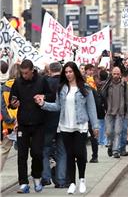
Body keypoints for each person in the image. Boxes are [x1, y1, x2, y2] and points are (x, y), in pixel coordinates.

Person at [38, 62, 100, 195]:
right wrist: (43, 104)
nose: (68, 74)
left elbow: (91, 108)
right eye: (66, 72)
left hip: (80, 125)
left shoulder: (85, 88)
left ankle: (82, 179)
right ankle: (72, 182)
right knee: (69, 155)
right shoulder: (62, 88)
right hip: (65, 125)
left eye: (70, 72)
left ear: (75, 72)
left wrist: (95, 126)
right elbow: (57, 106)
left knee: (79, 153)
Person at [9, 60, 55, 193]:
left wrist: (43, 97)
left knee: (37, 152)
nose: (24, 76)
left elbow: (52, 96)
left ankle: (36, 177)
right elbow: (12, 100)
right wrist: (14, 103)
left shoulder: (41, 81)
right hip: (23, 124)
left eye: (26, 73)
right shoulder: (17, 82)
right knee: (21, 155)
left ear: (32, 70)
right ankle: (23, 183)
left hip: (39, 123)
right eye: (22, 73)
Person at [41, 62, 66, 189]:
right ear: (61, 70)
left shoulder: (44, 82)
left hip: (47, 122)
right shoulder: (65, 83)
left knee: (45, 150)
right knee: (62, 152)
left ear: (50, 70)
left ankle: (45, 177)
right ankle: (61, 180)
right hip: (63, 122)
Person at [103, 67, 128, 159]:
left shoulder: (125, 85)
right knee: (109, 132)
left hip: (120, 112)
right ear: (111, 74)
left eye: (117, 74)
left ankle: (115, 151)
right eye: (114, 74)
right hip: (109, 111)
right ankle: (110, 145)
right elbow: (102, 94)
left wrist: (127, 114)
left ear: (120, 74)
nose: (116, 76)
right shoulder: (107, 84)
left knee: (118, 132)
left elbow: (127, 100)